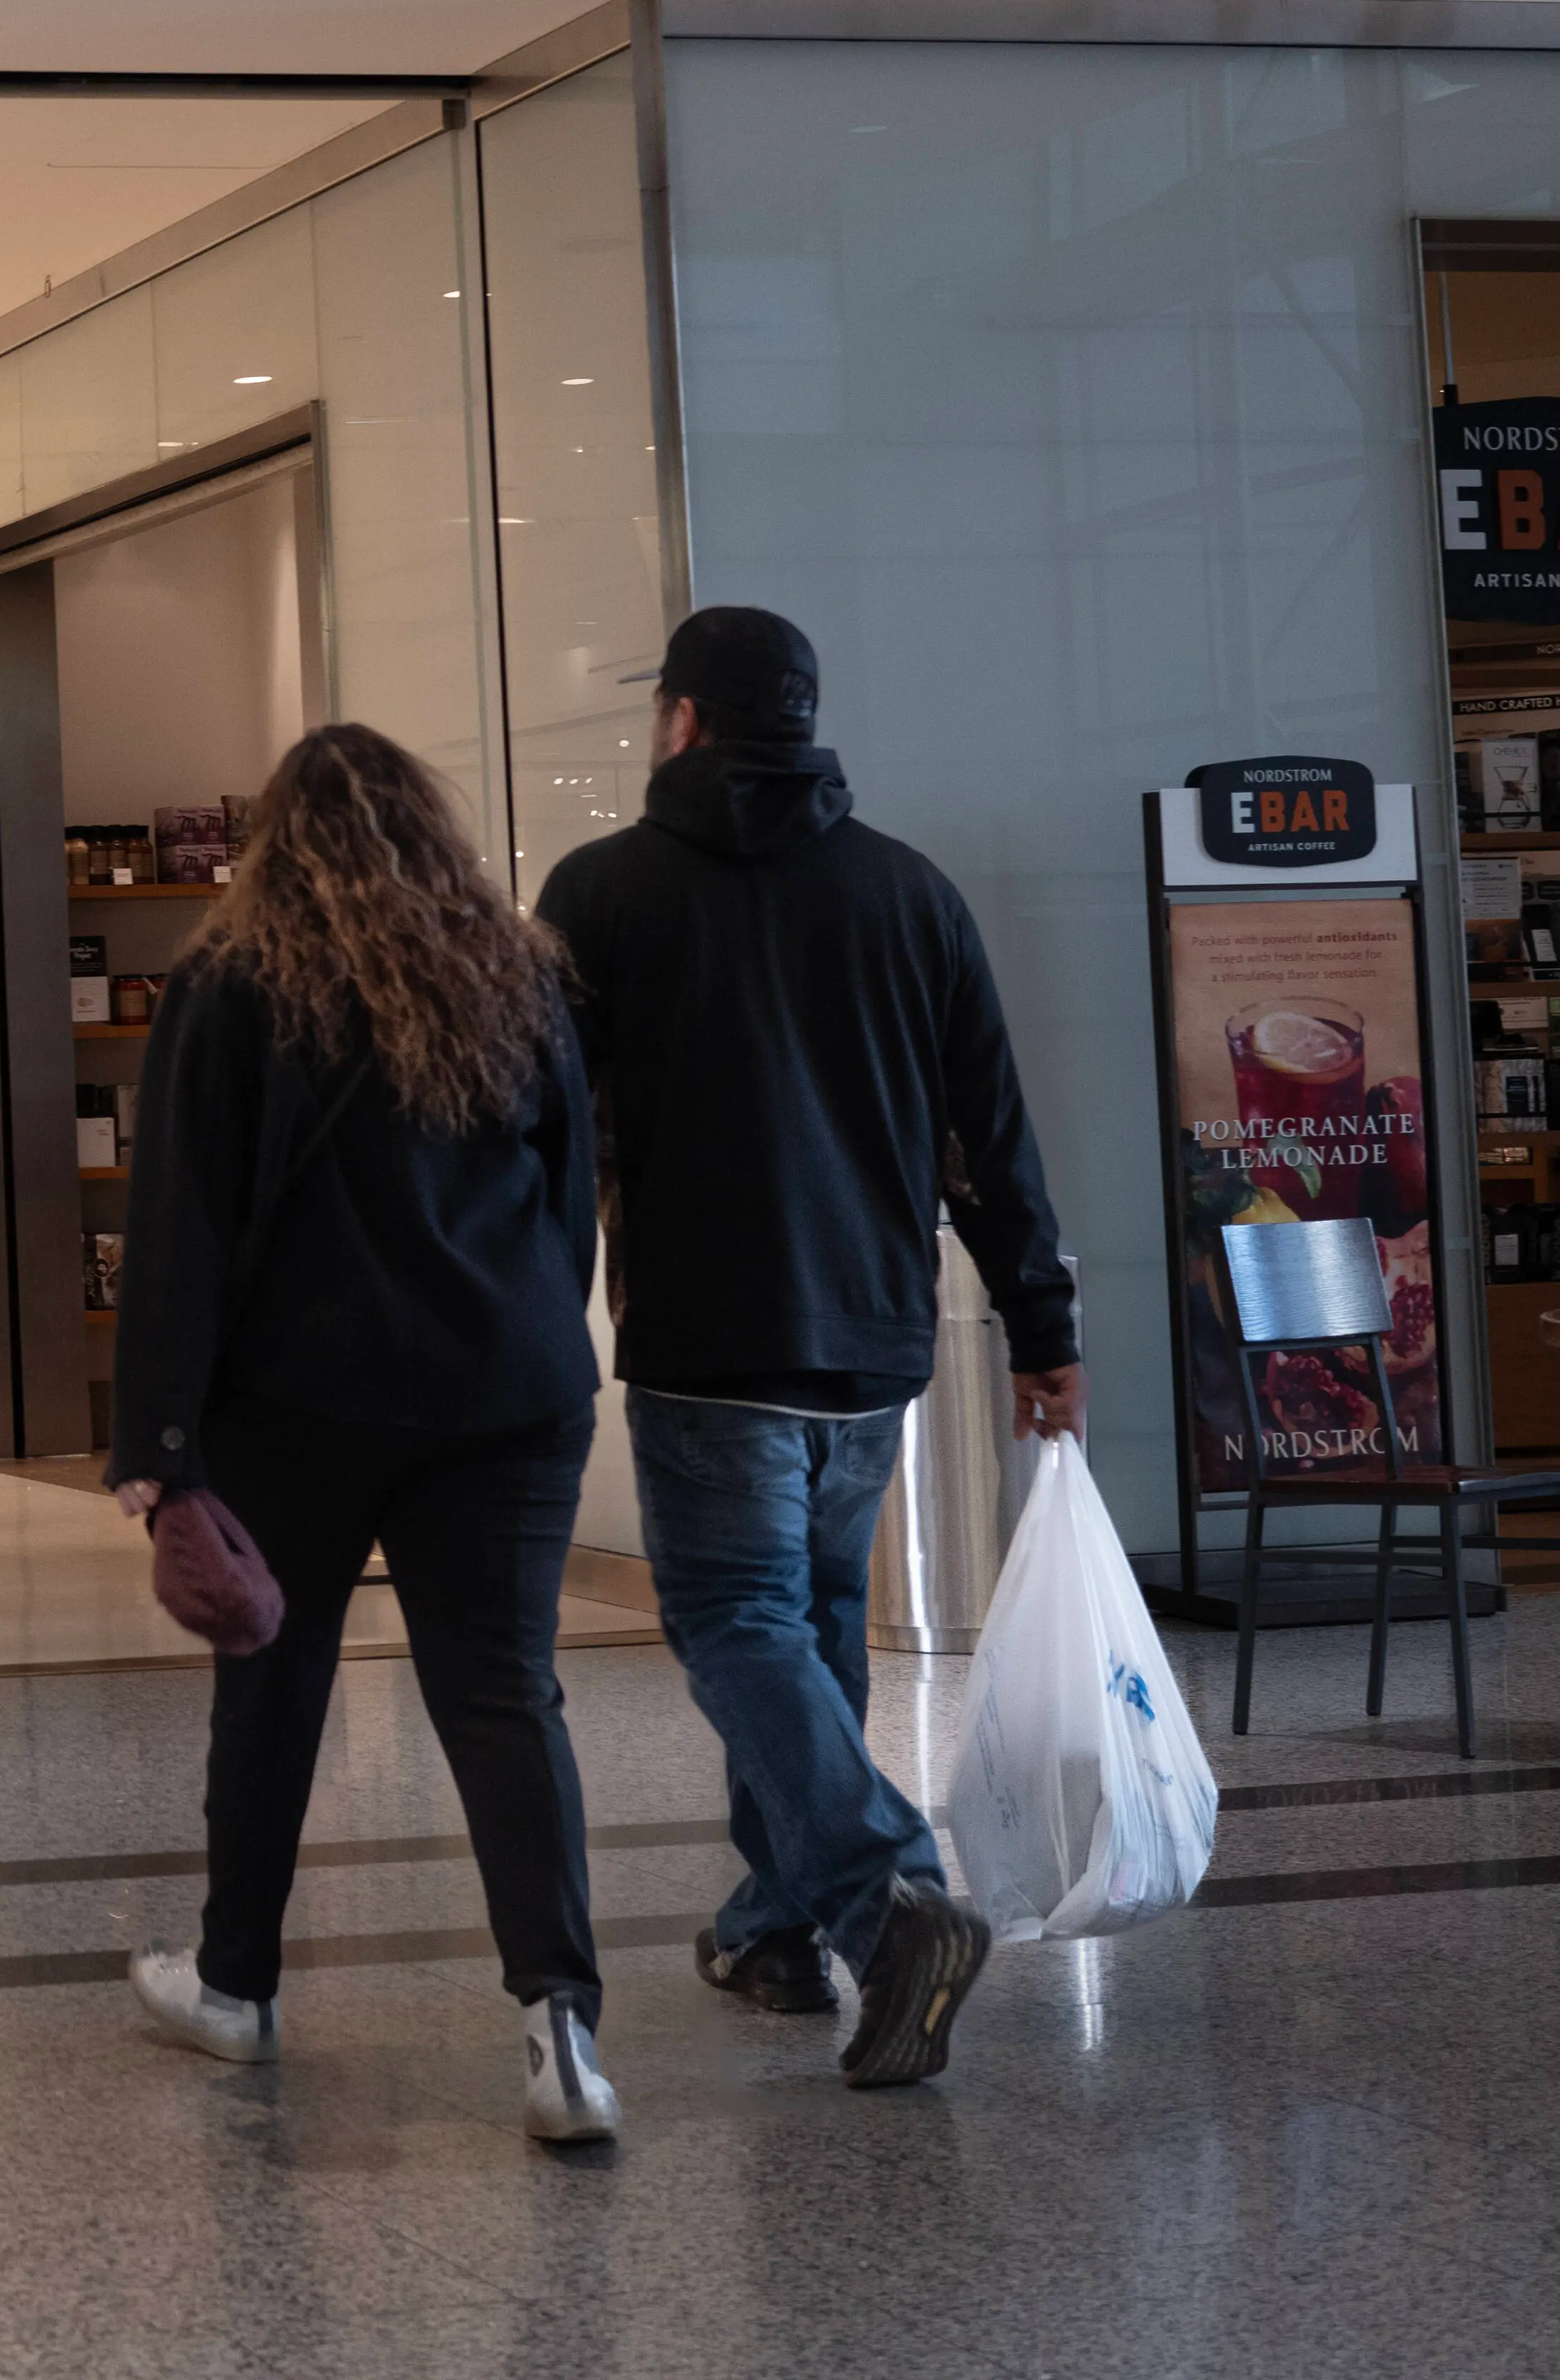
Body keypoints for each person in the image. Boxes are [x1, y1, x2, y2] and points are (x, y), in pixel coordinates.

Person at [535, 603, 1084, 2093]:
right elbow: (988, 1135)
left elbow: (552, 1136)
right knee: (816, 1624)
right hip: (870, 1342)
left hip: (713, 1339)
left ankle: (883, 1895)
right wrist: (1043, 1321)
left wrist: (528, 1316)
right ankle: (775, 1925)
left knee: (740, 1625)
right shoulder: (908, 893)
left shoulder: (599, 893)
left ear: (684, 720)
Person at [109, 724, 620, 2147]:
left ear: (275, 838)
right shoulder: (517, 971)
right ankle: (560, 2028)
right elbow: (572, 1190)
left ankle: (234, 1987)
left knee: (272, 1690)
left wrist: (160, 1442)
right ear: (429, 830)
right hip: (510, 1398)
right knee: (504, 1694)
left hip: (299, 1403)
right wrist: (530, 1336)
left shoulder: (231, 981)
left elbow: (180, 1228)